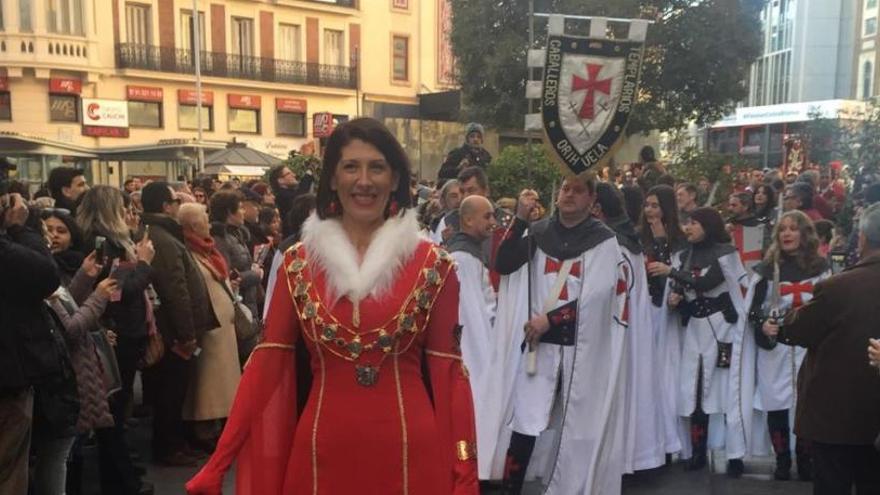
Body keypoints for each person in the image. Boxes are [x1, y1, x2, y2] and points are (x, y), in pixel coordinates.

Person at [186, 118, 479, 494]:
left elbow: (451, 376)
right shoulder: (297, 265)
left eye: (377, 167)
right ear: (333, 178)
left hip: (411, 457)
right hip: (319, 454)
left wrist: (464, 466)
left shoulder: (435, 266)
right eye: (351, 166)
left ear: (394, 178)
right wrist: (219, 460)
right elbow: (265, 369)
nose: (364, 180)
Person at [492, 175, 628, 494]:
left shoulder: (603, 240)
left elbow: (599, 295)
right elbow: (504, 262)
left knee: (578, 426)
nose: (568, 195)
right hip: (539, 345)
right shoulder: (539, 233)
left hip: (580, 348)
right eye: (565, 188)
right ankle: (512, 488)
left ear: (592, 200)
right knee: (524, 422)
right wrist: (521, 218)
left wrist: (550, 320)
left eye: (578, 191)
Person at [764, 202, 880, 494]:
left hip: (837, 416)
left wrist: (784, 321)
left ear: (863, 239)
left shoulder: (839, 287)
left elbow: (797, 329)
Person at [648, 207, 751, 477]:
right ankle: (697, 451)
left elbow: (706, 282)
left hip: (721, 329)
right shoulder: (685, 255)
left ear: (707, 224)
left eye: (693, 223)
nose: (688, 228)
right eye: (686, 222)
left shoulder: (725, 253)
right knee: (694, 393)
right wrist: (676, 298)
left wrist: (672, 272)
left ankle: (735, 455)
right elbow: (685, 287)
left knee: (728, 392)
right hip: (695, 329)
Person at [77, 186, 156, 494]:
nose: (128, 213)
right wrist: (145, 263)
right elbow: (121, 293)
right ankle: (122, 482)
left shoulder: (107, 241)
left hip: (121, 331)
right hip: (118, 334)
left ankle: (121, 477)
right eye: (123, 208)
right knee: (113, 413)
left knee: (114, 412)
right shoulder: (107, 245)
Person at [745, 210, 829, 481]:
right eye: (783, 229)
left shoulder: (820, 268)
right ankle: (782, 460)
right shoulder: (767, 269)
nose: (787, 234)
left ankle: (806, 461)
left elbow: (830, 306)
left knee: (806, 403)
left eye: (793, 229)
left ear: (805, 234)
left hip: (807, 347)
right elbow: (753, 309)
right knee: (776, 404)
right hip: (776, 348)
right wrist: (762, 324)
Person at [141, 182, 218, 467]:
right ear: (165, 206)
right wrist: (186, 333)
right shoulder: (163, 238)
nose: (177, 205)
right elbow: (176, 288)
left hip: (174, 329)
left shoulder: (162, 235)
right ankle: (169, 447)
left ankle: (174, 443)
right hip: (175, 333)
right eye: (175, 200)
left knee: (172, 392)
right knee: (170, 393)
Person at [593, 182, 666, 472]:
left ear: (597, 208)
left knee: (614, 391)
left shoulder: (611, 243)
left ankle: (616, 459)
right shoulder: (626, 238)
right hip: (627, 328)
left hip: (614, 329)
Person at [0, 191, 62, 495]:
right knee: (9, 467)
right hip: (8, 373)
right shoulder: (8, 249)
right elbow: (46, 274)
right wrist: (18, 228)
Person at [178, 203, 242, 452]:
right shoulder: (189, 252)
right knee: (208, 384)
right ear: (193, 225)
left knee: (221, 381)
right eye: (204, 217)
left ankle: (215, 426)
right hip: (210, 327)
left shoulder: (206, 250)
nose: (208, 220)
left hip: (223, 326)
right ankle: (203, 428)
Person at [446, 195, 498, 481]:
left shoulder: (470, 253)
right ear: (467, 220)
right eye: (487, 216)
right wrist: (487, 346)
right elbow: (471, 312)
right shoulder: (461, 258)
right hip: (472, 348)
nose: (493, 222)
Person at [639, 185, 688, 459]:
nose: (650, 211)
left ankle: (670, 440)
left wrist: (662, 243)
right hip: (645, 312)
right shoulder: (639, 237)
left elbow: (674, 274)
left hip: (667, 317)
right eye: (647, 205)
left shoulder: (680, 240)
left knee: (667, 375)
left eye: (655, 206)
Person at [209, 190, 264, 359]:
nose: (243, 212)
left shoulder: (236, 234)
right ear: (228, 212)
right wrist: (255, 275)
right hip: (239, 304)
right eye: (239, 208)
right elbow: (226, 274)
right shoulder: (221, 239)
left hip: (248, 301)